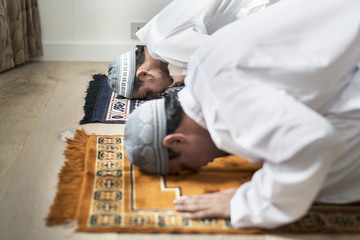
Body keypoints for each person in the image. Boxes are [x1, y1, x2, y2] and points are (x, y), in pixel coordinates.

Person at [124, 0, 360, 229]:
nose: (199, 169)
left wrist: (248, 202)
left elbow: (313, 141)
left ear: (176, 141)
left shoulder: (221, 105)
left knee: (324, 179)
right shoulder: (200, 69)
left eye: (185, 166)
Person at [107, 0, 278, 99]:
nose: (157, 95)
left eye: (148, 93)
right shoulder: (153, 33)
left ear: (143, 73)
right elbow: (201, 46)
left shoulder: (163, 46)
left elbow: (232, 57)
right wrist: (189, 75)